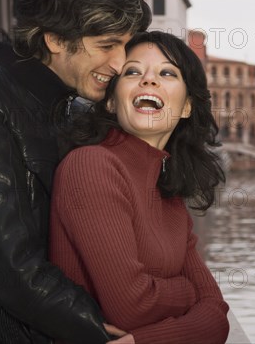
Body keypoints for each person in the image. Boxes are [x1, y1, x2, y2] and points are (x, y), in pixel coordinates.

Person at [0, 0, 151, 343]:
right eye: (107, 44)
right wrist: (98, 329)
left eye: (126, 45)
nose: (119, 61)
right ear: (55, 38)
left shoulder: (68, 109)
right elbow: (13, 270)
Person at [49, 31, 230, 343]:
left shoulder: (169, 196)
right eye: (132, 71)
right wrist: (188, 291)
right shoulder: (90, 167)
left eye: (167, 73)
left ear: (186, 107)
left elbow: (217, 318)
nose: (149, 80)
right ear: (110, 100)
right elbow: (133, 308)